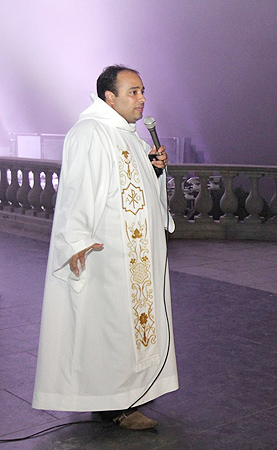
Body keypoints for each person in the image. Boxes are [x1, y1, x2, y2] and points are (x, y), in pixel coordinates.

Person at [32, 65, 177, 430]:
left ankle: (129, 396)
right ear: (109, 97)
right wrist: (77, 239)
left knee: (130, 328)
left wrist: (156, 171)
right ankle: (115, 405)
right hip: (108, 254)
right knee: (110, 328)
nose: (142, 99)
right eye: (133, 92)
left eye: (143, 91)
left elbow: (139, 190)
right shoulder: (89, 132)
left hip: (137, 257)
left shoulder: (134, 139)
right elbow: (77, 188)